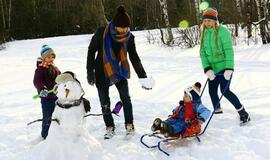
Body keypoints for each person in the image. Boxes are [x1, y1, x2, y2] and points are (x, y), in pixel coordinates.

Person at [86, 6, 154, 139]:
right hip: (101, 71)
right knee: (104, 101)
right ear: (115, 25)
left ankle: (129, 124)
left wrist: (143, 76)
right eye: (121, 27)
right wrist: (89, 70)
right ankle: (109, 126)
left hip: (119, 71)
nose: (124, 30)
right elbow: (91, 50)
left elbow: (134, 57)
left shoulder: (129, 37)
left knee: (125, 98)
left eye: (126, 28)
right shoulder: (102, 33)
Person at [199, 8, 250, 125]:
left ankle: (243, 113)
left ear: (215, 21)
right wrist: (207, 69)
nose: (207, 23)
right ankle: (218, 113)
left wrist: (229, 68)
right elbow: (202, 53)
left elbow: (229, 51)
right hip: (212, 69)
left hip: (224, 68)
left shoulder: (223, 31)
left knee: (225, 91)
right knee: (212, 90)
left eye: (209, 21)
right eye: (205, 21)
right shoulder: (203, 32)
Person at [33, 45, 61, 139]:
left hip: (55, 96)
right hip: (46, 98)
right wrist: (42, 89)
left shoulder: (54, 68)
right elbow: (37, 81)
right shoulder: (40, 69)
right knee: (47, 117)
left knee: (58, 114)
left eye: (52, 56)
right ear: (44, 58)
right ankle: (45, 135)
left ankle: (57, 132)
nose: (51, 58)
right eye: (49, 57)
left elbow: (59, 78)